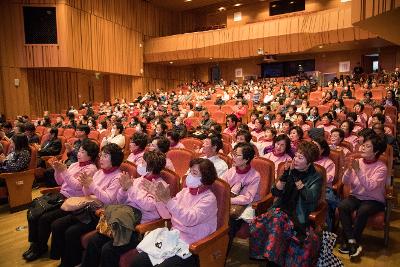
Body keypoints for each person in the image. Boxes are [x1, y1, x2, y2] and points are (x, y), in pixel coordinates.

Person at [81, 151, 168, 267]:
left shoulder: (161, 186)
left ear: (150, 166)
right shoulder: (139, 180)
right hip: (123, 219)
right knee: (94, 241)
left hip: (138, 227)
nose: (139, 165)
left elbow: (148, 206)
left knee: (108, 250)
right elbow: (120, 200)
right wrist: (123, 189)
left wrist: (131, 188)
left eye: (142, 162)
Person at [131, 158, 218, 266]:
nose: (189, 175)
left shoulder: (209, 199)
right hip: (174, 238)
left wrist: (168, 200)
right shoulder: (185, 191)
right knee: (138, 261)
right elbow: (166, 215)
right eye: (190, 171)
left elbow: (189, 219)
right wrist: (158, 198)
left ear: (205, 178)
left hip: (193, 246)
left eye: (194, 173)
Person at [23, 140, 99, 261]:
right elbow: (60, 182)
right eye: (78, 150)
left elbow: (77, 186)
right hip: (61, 195)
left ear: (90, 155)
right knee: (33, 212)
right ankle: (35, 244)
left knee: (44, 218)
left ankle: (40, 247)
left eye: (82, 151)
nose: (78, 153)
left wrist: (64, 170)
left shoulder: (91, 169)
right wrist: (57, 170)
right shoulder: (74, 164)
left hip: (72, 201)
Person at [50, 143, 124, 267]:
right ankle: (64, 260)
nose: (101, 158)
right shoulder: (100, 172)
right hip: (87, 208)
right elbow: (87, 194)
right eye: (101, 155)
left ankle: (71, 263)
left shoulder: (118, 177)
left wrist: (92, 185)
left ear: (114, 159)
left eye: (105, 156)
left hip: (100, 214)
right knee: (57, 224)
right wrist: (86, 185)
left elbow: (108, 200)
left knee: (71, 232)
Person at [249, 141, 322, 266]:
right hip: (281, 209)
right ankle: (273, 261)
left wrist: (296, 177)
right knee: (276, 219)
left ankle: (271, 261)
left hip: (298, 216)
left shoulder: (315, 177)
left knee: (276, 221)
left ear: (309, 161)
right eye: (296, 156)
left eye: (300, 157)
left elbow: (309, 197)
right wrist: (284, 176)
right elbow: (275, 191)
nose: (296, 160)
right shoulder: (289, 169)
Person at [338, 134, 387, 260]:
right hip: (356, 196)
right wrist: (348, 170)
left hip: (374, 200)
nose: (363, 148)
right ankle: (352, 241)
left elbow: (370, 186)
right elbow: (346, 182)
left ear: (376, 151)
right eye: (363, 145)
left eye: (367, 146)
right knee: (342, 206)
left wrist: (358, 170)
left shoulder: (381, 167)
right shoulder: (358, 162)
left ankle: (353, 240)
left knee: (363, 210)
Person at [222, 142, 260, 253]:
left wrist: (228, 200)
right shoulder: (231, 171)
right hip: (230, 202)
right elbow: (223, 186)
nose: (233, 157)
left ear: (246, 159)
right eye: (233, 154)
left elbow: (248, 198)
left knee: (229, 224)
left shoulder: (255, 175)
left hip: (246, 207)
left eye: (237, 155)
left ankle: (222, 257)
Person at [313, 137, 338, 231]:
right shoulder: (306, 159)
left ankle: (327, 233)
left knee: (324, 205)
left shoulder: (328, 163)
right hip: (308, 188)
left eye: (316, 147)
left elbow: (328, 178)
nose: (312, 149)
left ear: (322, 150)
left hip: (324, 189)